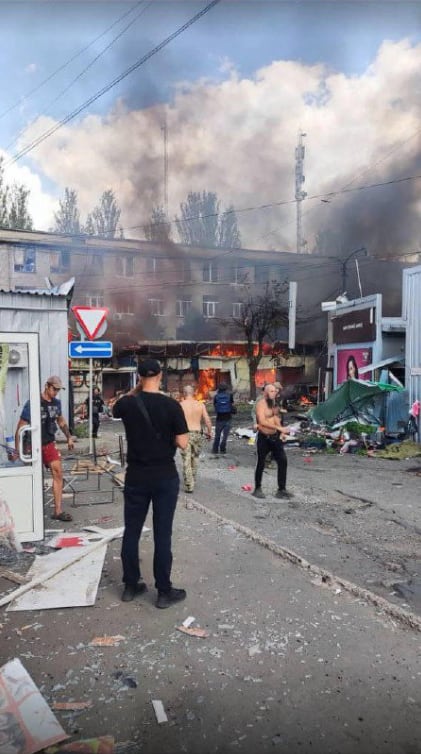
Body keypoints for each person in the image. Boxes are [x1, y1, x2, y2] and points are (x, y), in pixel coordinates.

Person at [111, 358, 189, 608]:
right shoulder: (172, 405)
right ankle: (164, 592)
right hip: (164, 477)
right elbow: (183, 443)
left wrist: (137, 389)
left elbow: (116, 408)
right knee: (162, 534)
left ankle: (131, 585)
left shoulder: (128, 404)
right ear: (161, 375)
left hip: (136, 477)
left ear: (139, 377)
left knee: (131, 531)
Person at [15, 375, 74, 522]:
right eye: (54, 389)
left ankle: (58, 511)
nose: (56, 392)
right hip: (31, 444)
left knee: (58, 472)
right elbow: (20, 427)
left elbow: (60, 421)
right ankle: (26, 512)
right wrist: (18, 450)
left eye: (58, 390)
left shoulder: (56, 403)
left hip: (48, 443)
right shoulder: (33, 403)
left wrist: (69, 437)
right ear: (47, 386)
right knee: (31, 477)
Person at [252, 383, 292, 500]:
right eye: (272, 391)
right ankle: (257, 488)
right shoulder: (261, 404)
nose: (274, 393)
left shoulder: (274, 404)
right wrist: (280, 429)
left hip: (275, 437)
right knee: (261, 462)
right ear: (265, 392)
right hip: (264, 437)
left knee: (283, 461)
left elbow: (276, 419)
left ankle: (281, 489)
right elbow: (262, 421)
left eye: (275, 391)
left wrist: (282, 432)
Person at [180, 385, 212, 493]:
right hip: (197, 433)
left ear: (184, 393)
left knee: (186, 459)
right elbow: (207, 419)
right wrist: (209, 432)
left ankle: (189, 485)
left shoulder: (180, 405)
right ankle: (193, 478)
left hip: (185, 434)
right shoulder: (200, 405)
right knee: (195, 457)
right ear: (193, 393)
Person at [212, 382, 235, 454]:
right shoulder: (230, 395)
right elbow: (232, 404)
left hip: (219, 419)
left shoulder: (216, 397)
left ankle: (215, 449)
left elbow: (215, 407)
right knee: (225, 436)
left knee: (217, 435)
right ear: (226, 388)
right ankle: (222, 449)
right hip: (228, 418)